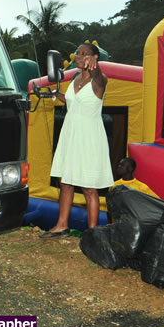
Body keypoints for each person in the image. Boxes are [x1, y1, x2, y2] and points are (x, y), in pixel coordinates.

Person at [41, 43, 111, 237]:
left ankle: (93, 233)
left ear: (95, 58)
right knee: (65, 181)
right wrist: (57, 95)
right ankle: (62, 225)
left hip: (89, 137)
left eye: (85, 54)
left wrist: (94, 68)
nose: (80, 56)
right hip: (70, 133)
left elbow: (97, 77)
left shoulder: (100, 79)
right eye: (78, 53)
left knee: (89, 187)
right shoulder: (74, 78)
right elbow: (73, 101)